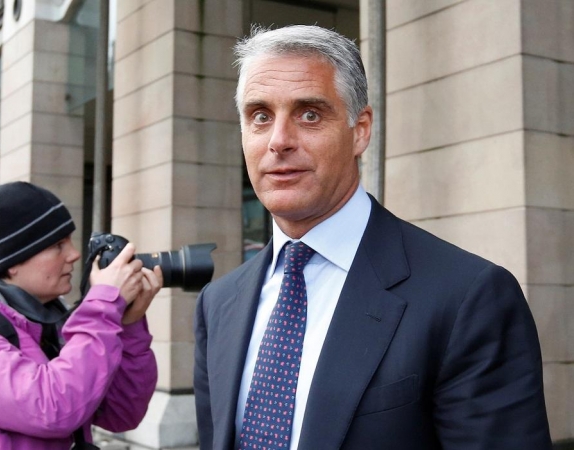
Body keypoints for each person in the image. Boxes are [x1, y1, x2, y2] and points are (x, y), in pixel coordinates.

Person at [193, 25, 552, 449]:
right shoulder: (218, 304)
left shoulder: (467, 298)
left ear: (360, 129)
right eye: (260, 116)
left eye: (309, 114)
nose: (279, 141)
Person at [0, 181, 162, 449]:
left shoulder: (46, 319)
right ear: (12, 262)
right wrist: (104, 305)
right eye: (58, 245)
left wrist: (127, 325)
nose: (74, 254)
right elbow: (52, 409)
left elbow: (121, 413)